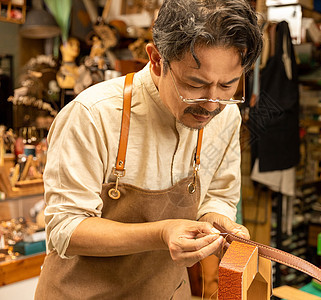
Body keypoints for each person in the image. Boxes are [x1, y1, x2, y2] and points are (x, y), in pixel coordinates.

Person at [35, 0, 263, 299]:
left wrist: (216, 220)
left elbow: (218, 196)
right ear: (156, 60)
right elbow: (65, 229)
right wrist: (161, 233)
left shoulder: (225, 115)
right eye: (195, 84)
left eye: (228, 85)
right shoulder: (94, 114)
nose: (211, 104)